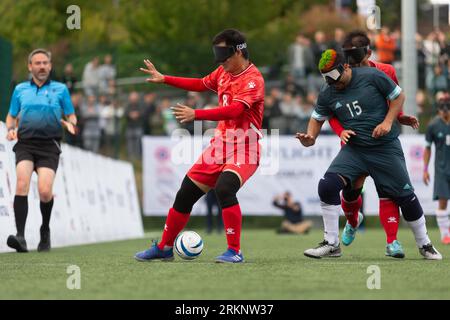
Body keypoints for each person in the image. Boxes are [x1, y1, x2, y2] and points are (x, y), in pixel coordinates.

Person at [296, 49, 441, 260]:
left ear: (346, 66)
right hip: (355, 150)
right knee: (327, 186)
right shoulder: (328, 90)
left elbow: (399, 96)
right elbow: (317, 117)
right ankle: (331, 243)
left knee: (405, 198)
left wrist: (388, 121)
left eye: (334, 76)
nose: (332, 82)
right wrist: (310, 137)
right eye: (326, 78)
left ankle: (424, 244)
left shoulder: (372, 76)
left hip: (384, 147)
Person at [135, 29, 264, 263]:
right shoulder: (222, 72)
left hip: (246, 147)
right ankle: (164, 247)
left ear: (238, 51)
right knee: (185, 194)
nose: (221, 62)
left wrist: (197, 114)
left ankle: (234, 251)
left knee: (225, 188)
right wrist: (166, 79)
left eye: (224, 57)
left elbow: (235, 109)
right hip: (219, 147)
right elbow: (200, 84)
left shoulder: (253, 79)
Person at [328, 30, 419, 258]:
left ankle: (392, 242)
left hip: (382, 143)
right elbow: (329, 109)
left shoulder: (386, 71)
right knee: (350, 193)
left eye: (357, 59)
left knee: (388, 191)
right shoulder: (342, 75)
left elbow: (393, 99)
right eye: (350, 60)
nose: (354, 64)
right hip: (355, 143)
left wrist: (398, 118)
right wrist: (341, 131)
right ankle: (352, 221)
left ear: (368, 52)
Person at [5, 48, 77, 252]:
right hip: (26, 143)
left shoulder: (61, 89)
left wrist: (70, 124)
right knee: (21, 184)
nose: (42, 66)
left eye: (45, 63)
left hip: (49, 145)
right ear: (30, 67)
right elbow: (11, 115)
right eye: (38, 63)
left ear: (50, 66)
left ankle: (44, 231)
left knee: (45, 192)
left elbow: (71, 115)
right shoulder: (19, 90)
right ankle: (20, 237)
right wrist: (10, 129)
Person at [424, 95, 450, 244]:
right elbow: (427, 149)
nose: (445, 112)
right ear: (438, 110)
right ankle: (445, 235)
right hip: (441, 169)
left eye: (447, 108)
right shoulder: (433, 125)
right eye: (442, 109)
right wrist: (425, 169)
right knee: (442, 202)